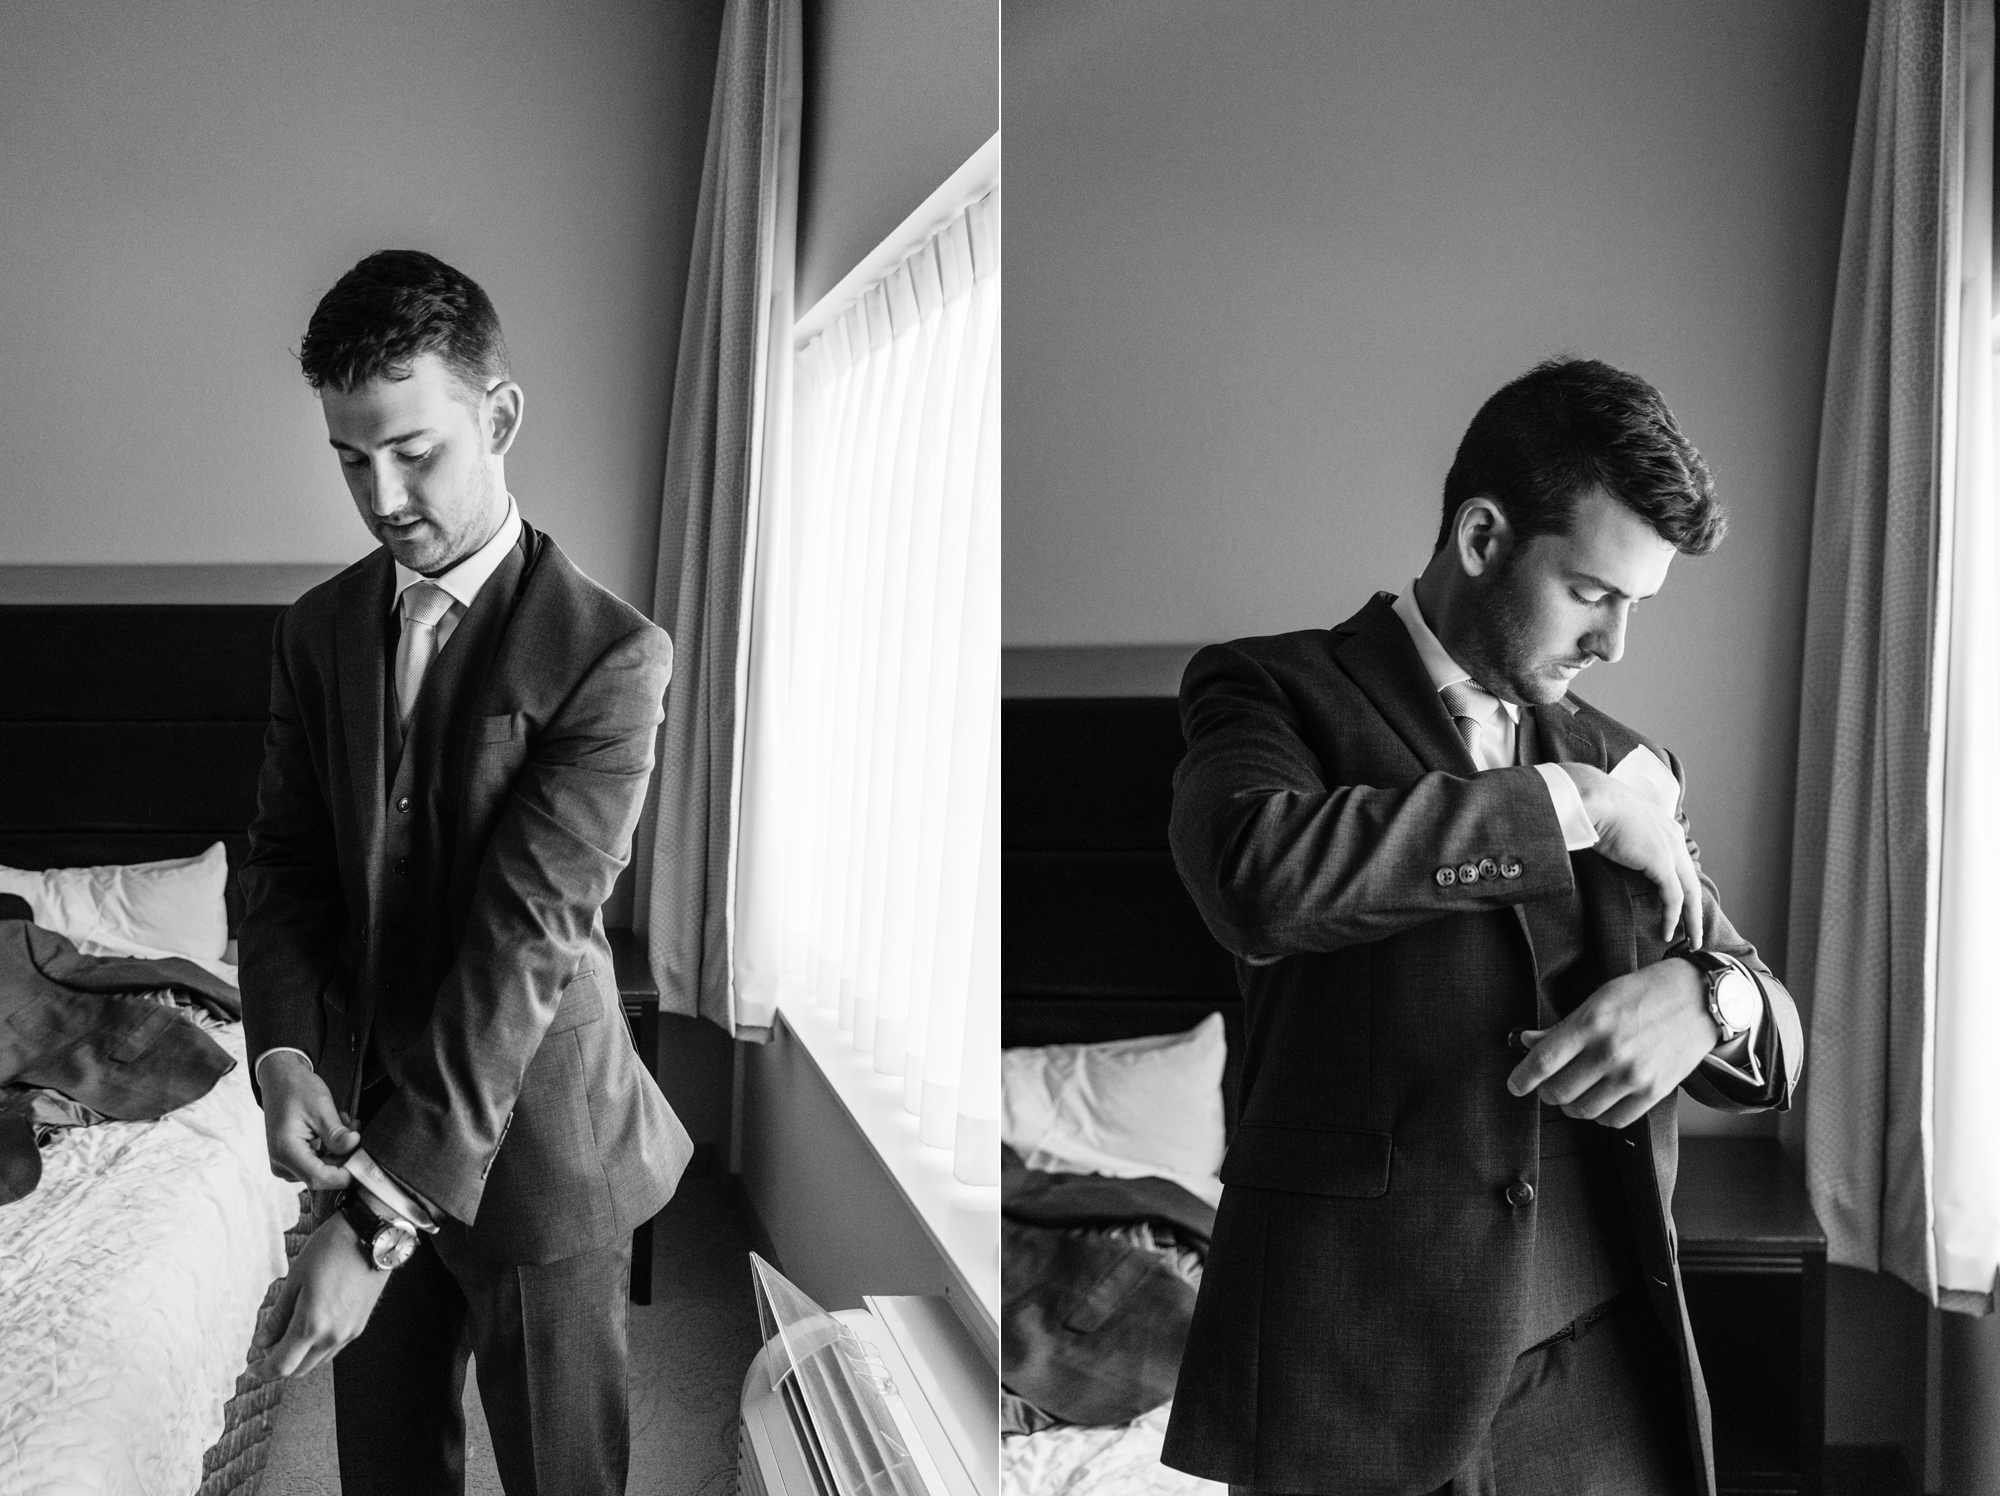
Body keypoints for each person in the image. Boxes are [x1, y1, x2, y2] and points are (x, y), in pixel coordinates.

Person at [1159, 358, 1804, 1496]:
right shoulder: (1269, 690)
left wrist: (1710, 1000)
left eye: (1635, 607)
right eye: (1592, 594)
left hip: (1599, 1364)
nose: (1613, 646)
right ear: (1479, 536)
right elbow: (1256, 878)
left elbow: (1774, 1037)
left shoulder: (1623, 752)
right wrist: (1573, 808)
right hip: (1351, 1370)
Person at [238, 248, 692, 1495]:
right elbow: (284, 866)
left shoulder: (612, 657)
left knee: (563, 1476)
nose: (380, 493)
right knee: (387, 1474)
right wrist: (283, 1053)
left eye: (412, 449)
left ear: (498, 416)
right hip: (364, 1113)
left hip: (545, 1151)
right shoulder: (317, 631)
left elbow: (525, 945)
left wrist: (379, 1219)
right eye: (348, 457)